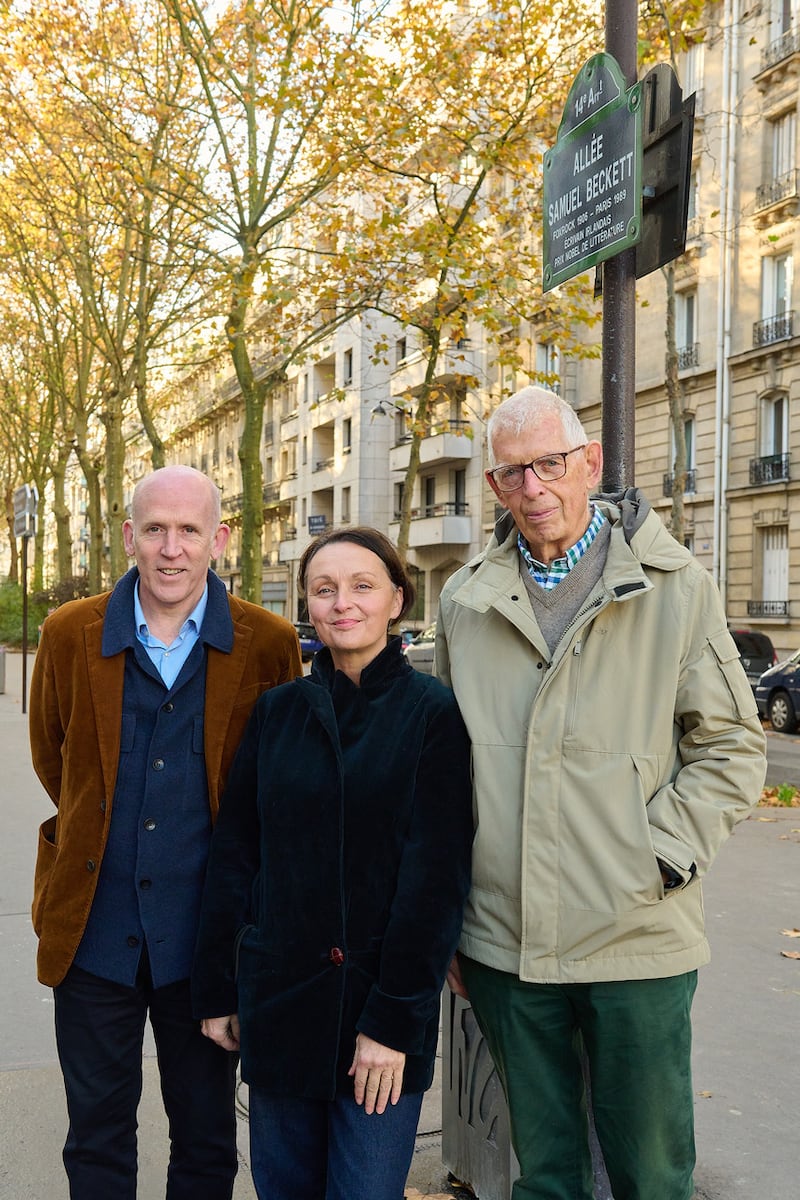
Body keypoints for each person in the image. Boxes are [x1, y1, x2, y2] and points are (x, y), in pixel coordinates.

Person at [435, 387, 767, 1200]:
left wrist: (655, 858)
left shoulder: (676, 586)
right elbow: (439, 771)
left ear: (587, 463)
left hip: (636, 936)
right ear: (493, 485)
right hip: (505, 941)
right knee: (544, 1178)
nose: (534, 489)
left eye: (549, 464)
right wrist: (448, 912)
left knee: (653, 1175)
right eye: (513, 473)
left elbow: (729, 746)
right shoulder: (462, 600)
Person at [29, 465, 302, 1200]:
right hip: (93, 934)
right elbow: (54, 757)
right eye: (155, 529)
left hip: (209, 946)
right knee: (97, 1141)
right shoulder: (68, 633)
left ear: (218, 539)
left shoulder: (269, 643)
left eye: (188, 530)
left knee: (209, 1141)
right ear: (129, 538)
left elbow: (277, 785)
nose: (171, 548)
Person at [192, 526, 473, 1200]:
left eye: (361, 586)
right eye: (324, 589)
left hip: (377, 1017)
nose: (342, 602)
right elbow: (236, 855)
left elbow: (434, 883)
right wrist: (219, 988)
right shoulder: (277, 712)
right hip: (281, 1005)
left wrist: (392, 1025)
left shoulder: (432, 715)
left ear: (397, 601)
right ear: (309, 606)